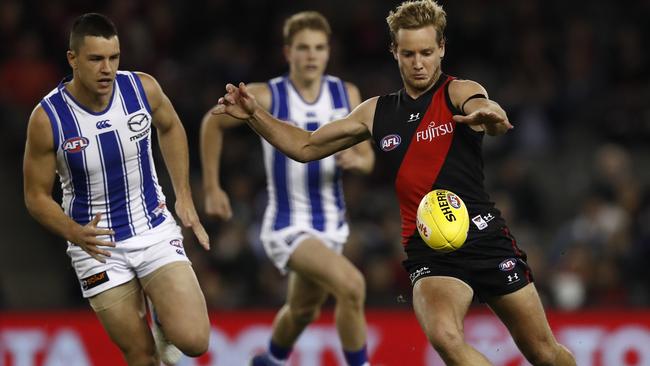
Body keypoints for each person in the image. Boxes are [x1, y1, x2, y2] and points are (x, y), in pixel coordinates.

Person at [213, 1, 577, 365]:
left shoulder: (458, 92)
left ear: (442, 50)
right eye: (408, 53)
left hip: (484, 237)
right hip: (428, 249)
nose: (418, 62)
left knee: (544, 353)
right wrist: (254, 115)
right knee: (447, 339)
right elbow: (306, 145)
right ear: (394, 52)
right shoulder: (376, 113)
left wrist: (492, 116)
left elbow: (486, 107)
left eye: (426, 52)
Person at [23, 13, 210, 366]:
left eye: (113, 58)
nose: (107, 68)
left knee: (196, 341)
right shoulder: (47, 119)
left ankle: (162, 318)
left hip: (152, 229)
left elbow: (169, 127)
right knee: (140, 354)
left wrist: (183, 195)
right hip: (97, 247)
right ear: (73, 59)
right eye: (95, 59)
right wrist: (75, 232)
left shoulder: (142, 89)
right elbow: (34, 196)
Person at [201, 11, 374, 366]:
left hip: (332, 224)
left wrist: (358, 161)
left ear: (329, 52)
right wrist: (212, 187)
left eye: (319, 48)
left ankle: (270, 361)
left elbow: (368, 158)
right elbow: (211, 123)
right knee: (352, 285)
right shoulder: (268, 94)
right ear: (287, 53)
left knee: (302, 311)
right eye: (303, 48)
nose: (312, 55)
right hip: (287, 224)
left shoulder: (347, 93)